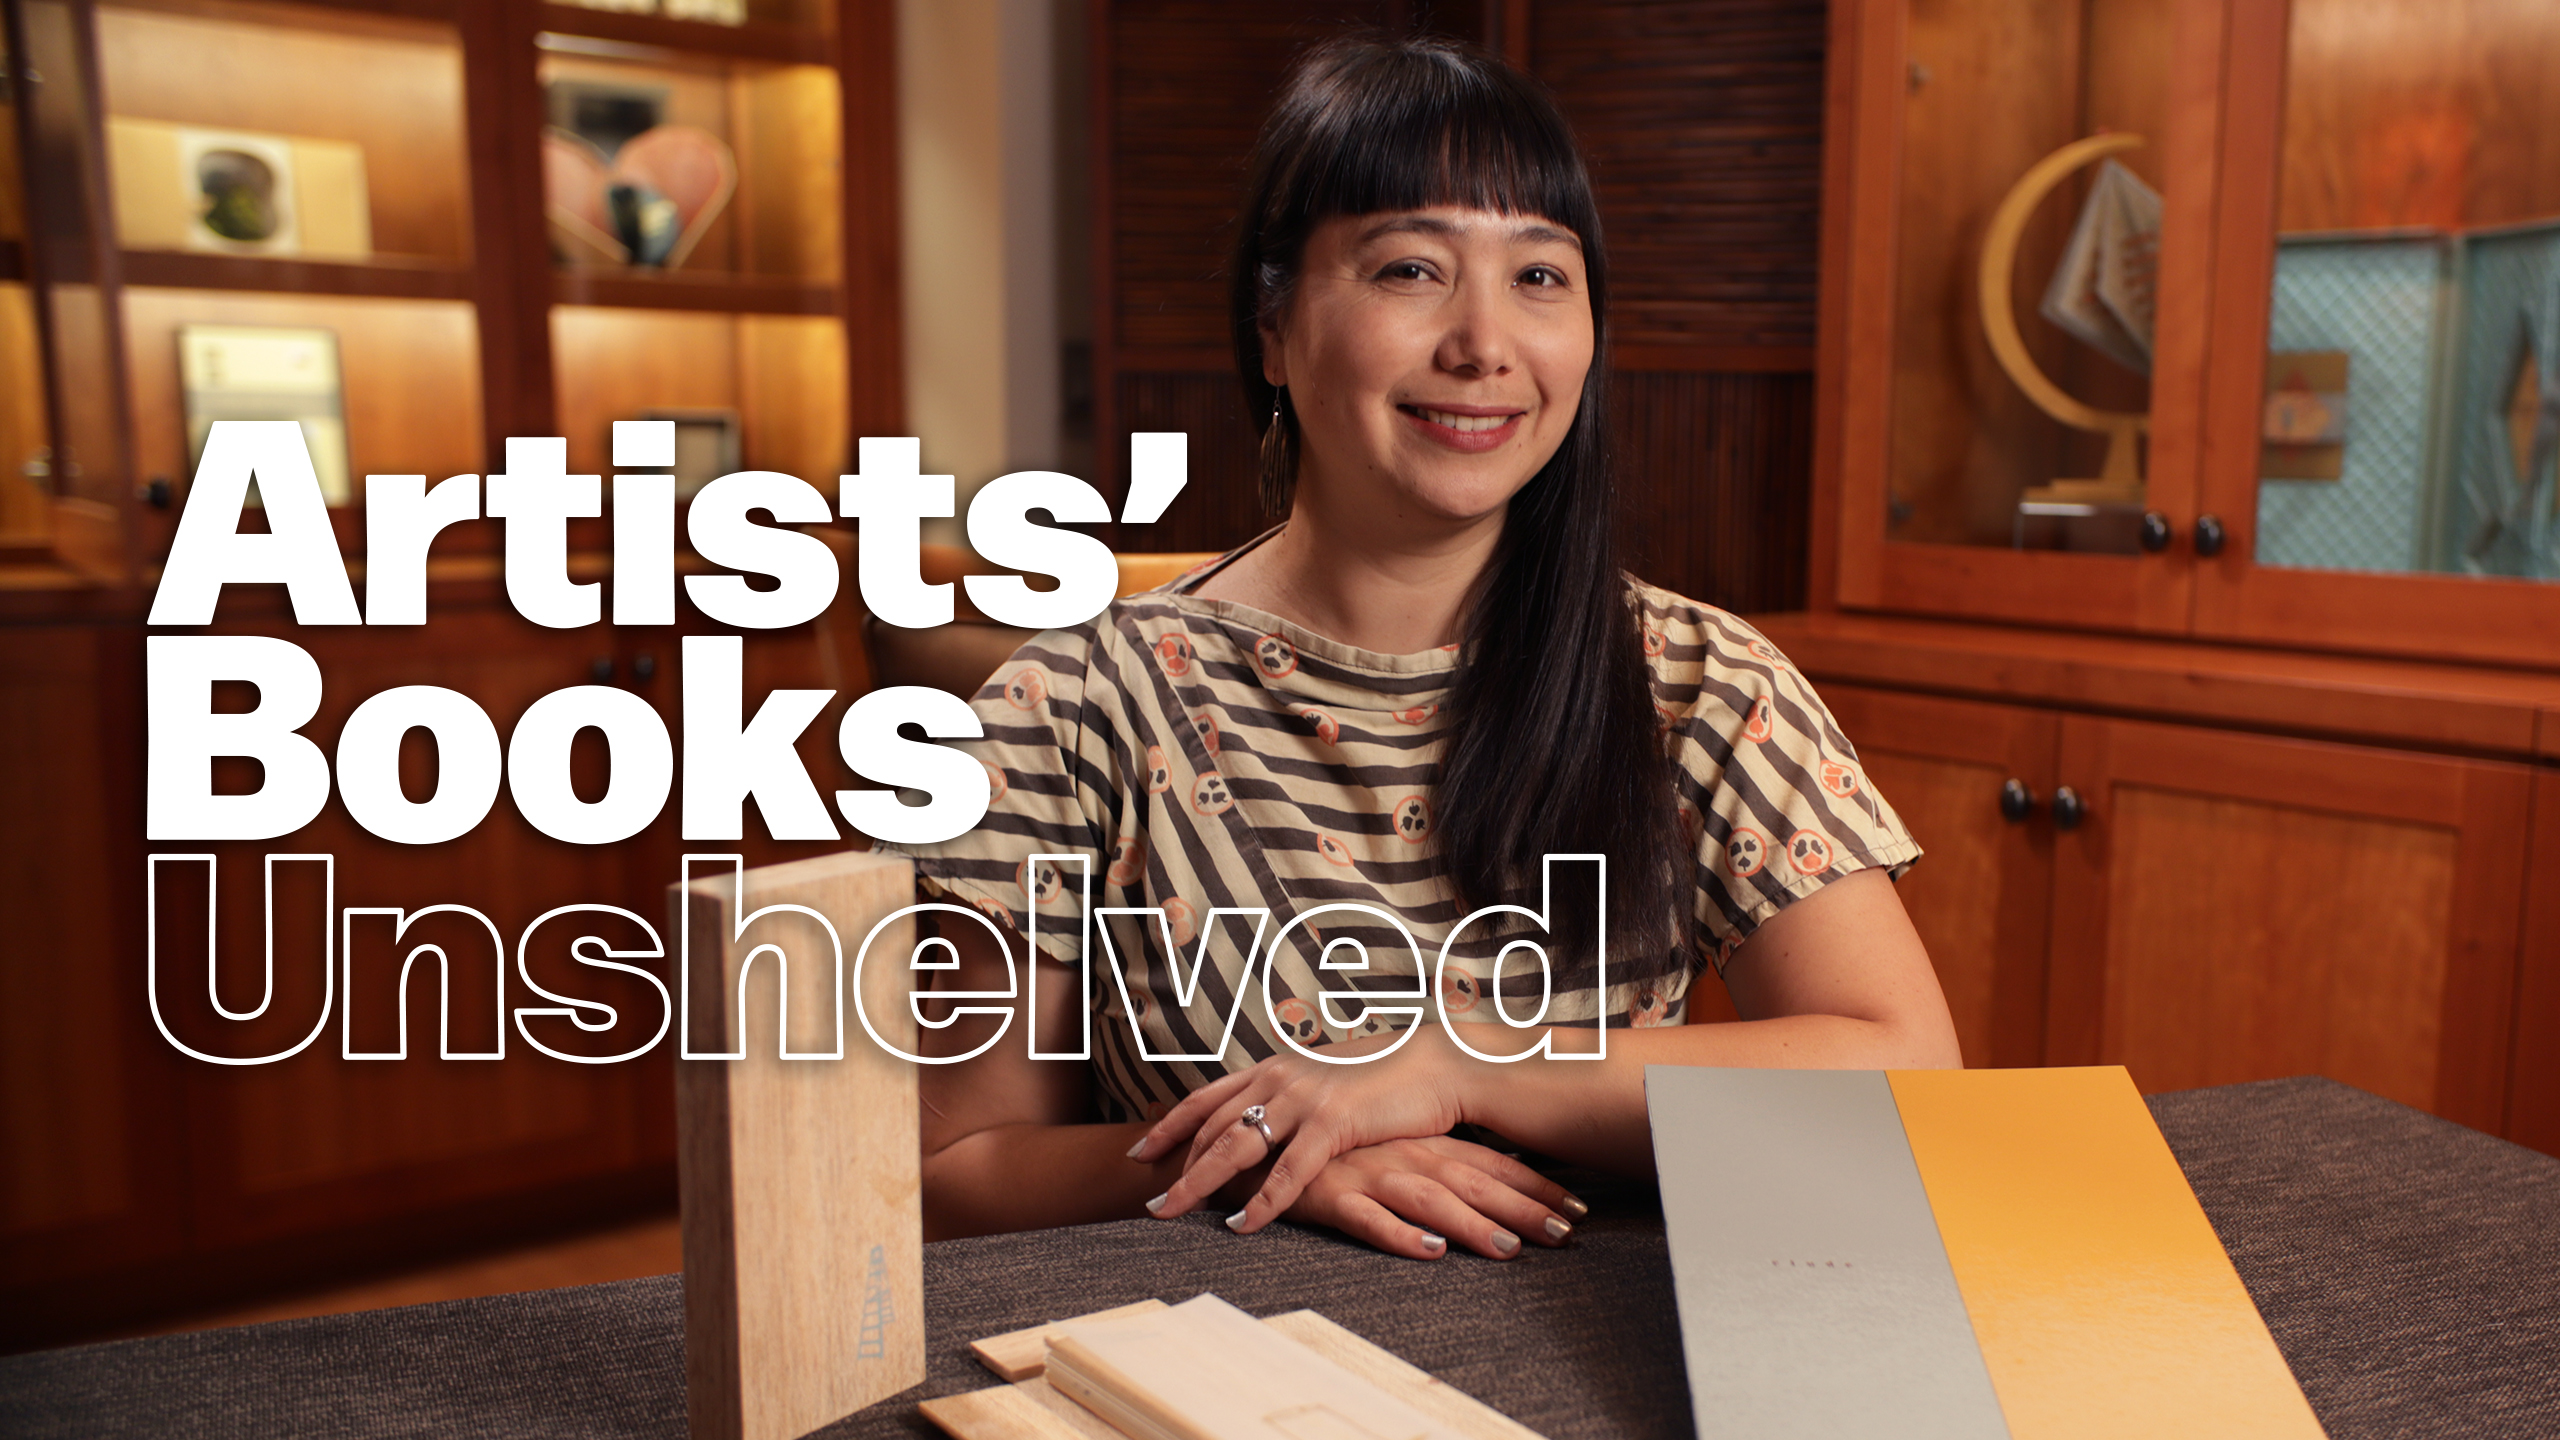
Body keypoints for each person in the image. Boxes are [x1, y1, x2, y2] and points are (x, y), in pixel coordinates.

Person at [882, 33, 1960, 1262]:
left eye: (1540, 279)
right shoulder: (1068, 703)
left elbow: (1906, 1073)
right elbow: (953, 1171)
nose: (1484, 343)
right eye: (1409, 268)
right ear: (1274, 332)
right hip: (1222, 1351)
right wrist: (1286, 1151)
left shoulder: (1696, 682)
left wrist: (1459, 1060)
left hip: (1602, 1340)